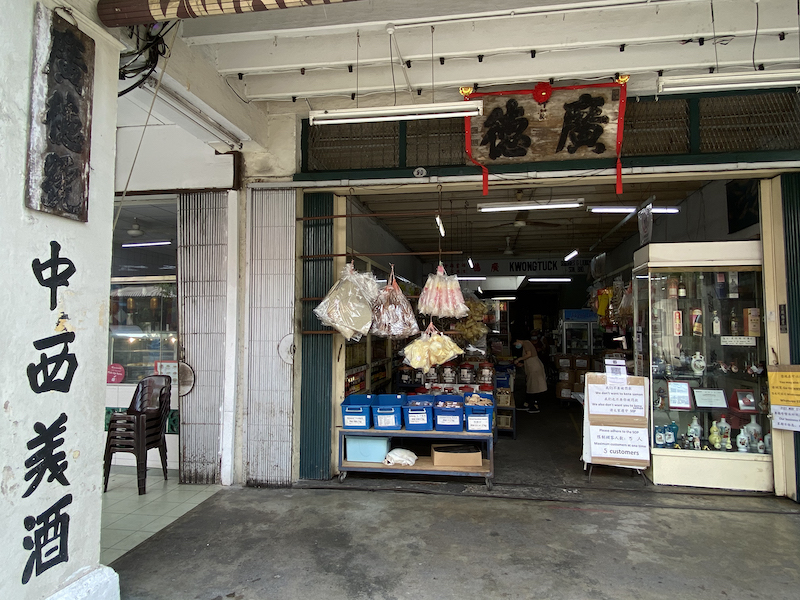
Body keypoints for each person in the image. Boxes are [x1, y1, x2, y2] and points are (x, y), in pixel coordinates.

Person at [513, 331, 547, 413]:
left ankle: (533, 406)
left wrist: (519, 359)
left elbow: (529, 354)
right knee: (533, 386)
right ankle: (529, 404)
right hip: (533, 367)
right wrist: (523, 364)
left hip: (534, 368)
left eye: (515, 343)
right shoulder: (527, 343)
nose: (515, 345)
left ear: (518, 340)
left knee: (533, 387)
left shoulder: (526, 343)